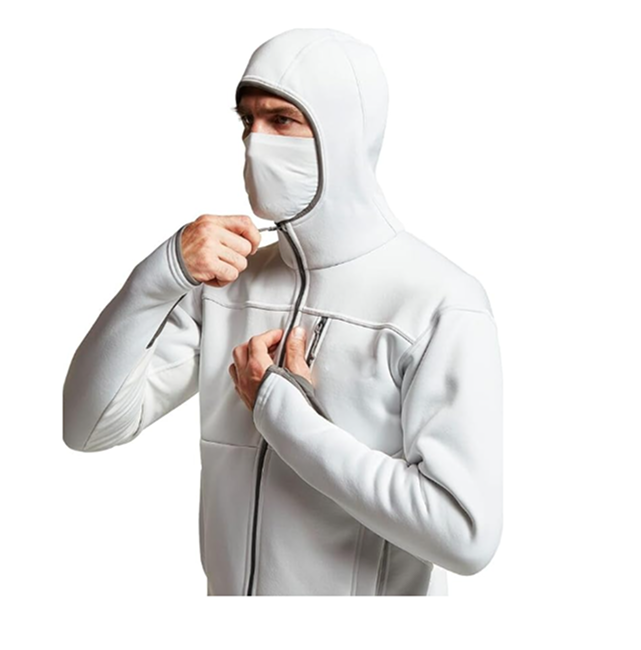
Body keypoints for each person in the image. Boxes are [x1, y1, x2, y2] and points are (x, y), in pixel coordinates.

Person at [62, 27, 503, 597]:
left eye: (282, 120)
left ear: (342, 133)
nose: (256, 143)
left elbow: (465, 537)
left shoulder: (438, 302)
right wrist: (160, 276)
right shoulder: (227, 284)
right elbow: (88, 426)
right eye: (247, 121)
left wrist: (285, 417)